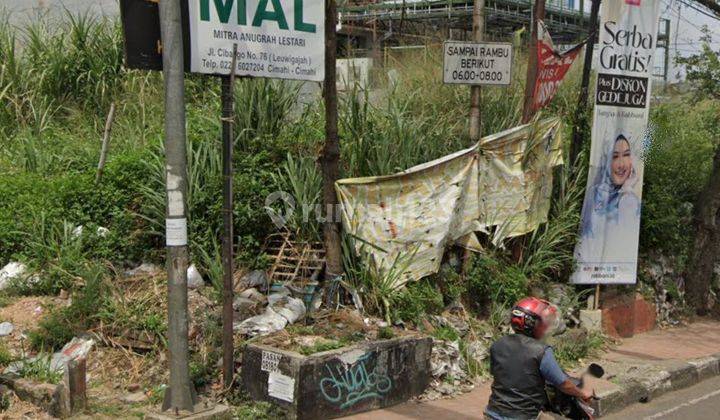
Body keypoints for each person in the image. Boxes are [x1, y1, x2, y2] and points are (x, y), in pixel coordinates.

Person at [485, 297, 593, 420]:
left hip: (492, 412)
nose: (546, 326)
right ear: (533, 324)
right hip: (525, 416)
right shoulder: (541, 351)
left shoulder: (498, 344)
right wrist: (582, 394)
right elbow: (563, 384)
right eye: (544, 322)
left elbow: (499, 374)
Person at [575, 134, 641, 262]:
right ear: (606, 161)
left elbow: (625, 245)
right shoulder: (594, 193)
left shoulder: (630, 200)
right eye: (615, 157)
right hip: (587, 269)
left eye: (626, 155)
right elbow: (583, 238)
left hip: (615, 270)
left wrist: (626, 192)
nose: (622, 164)